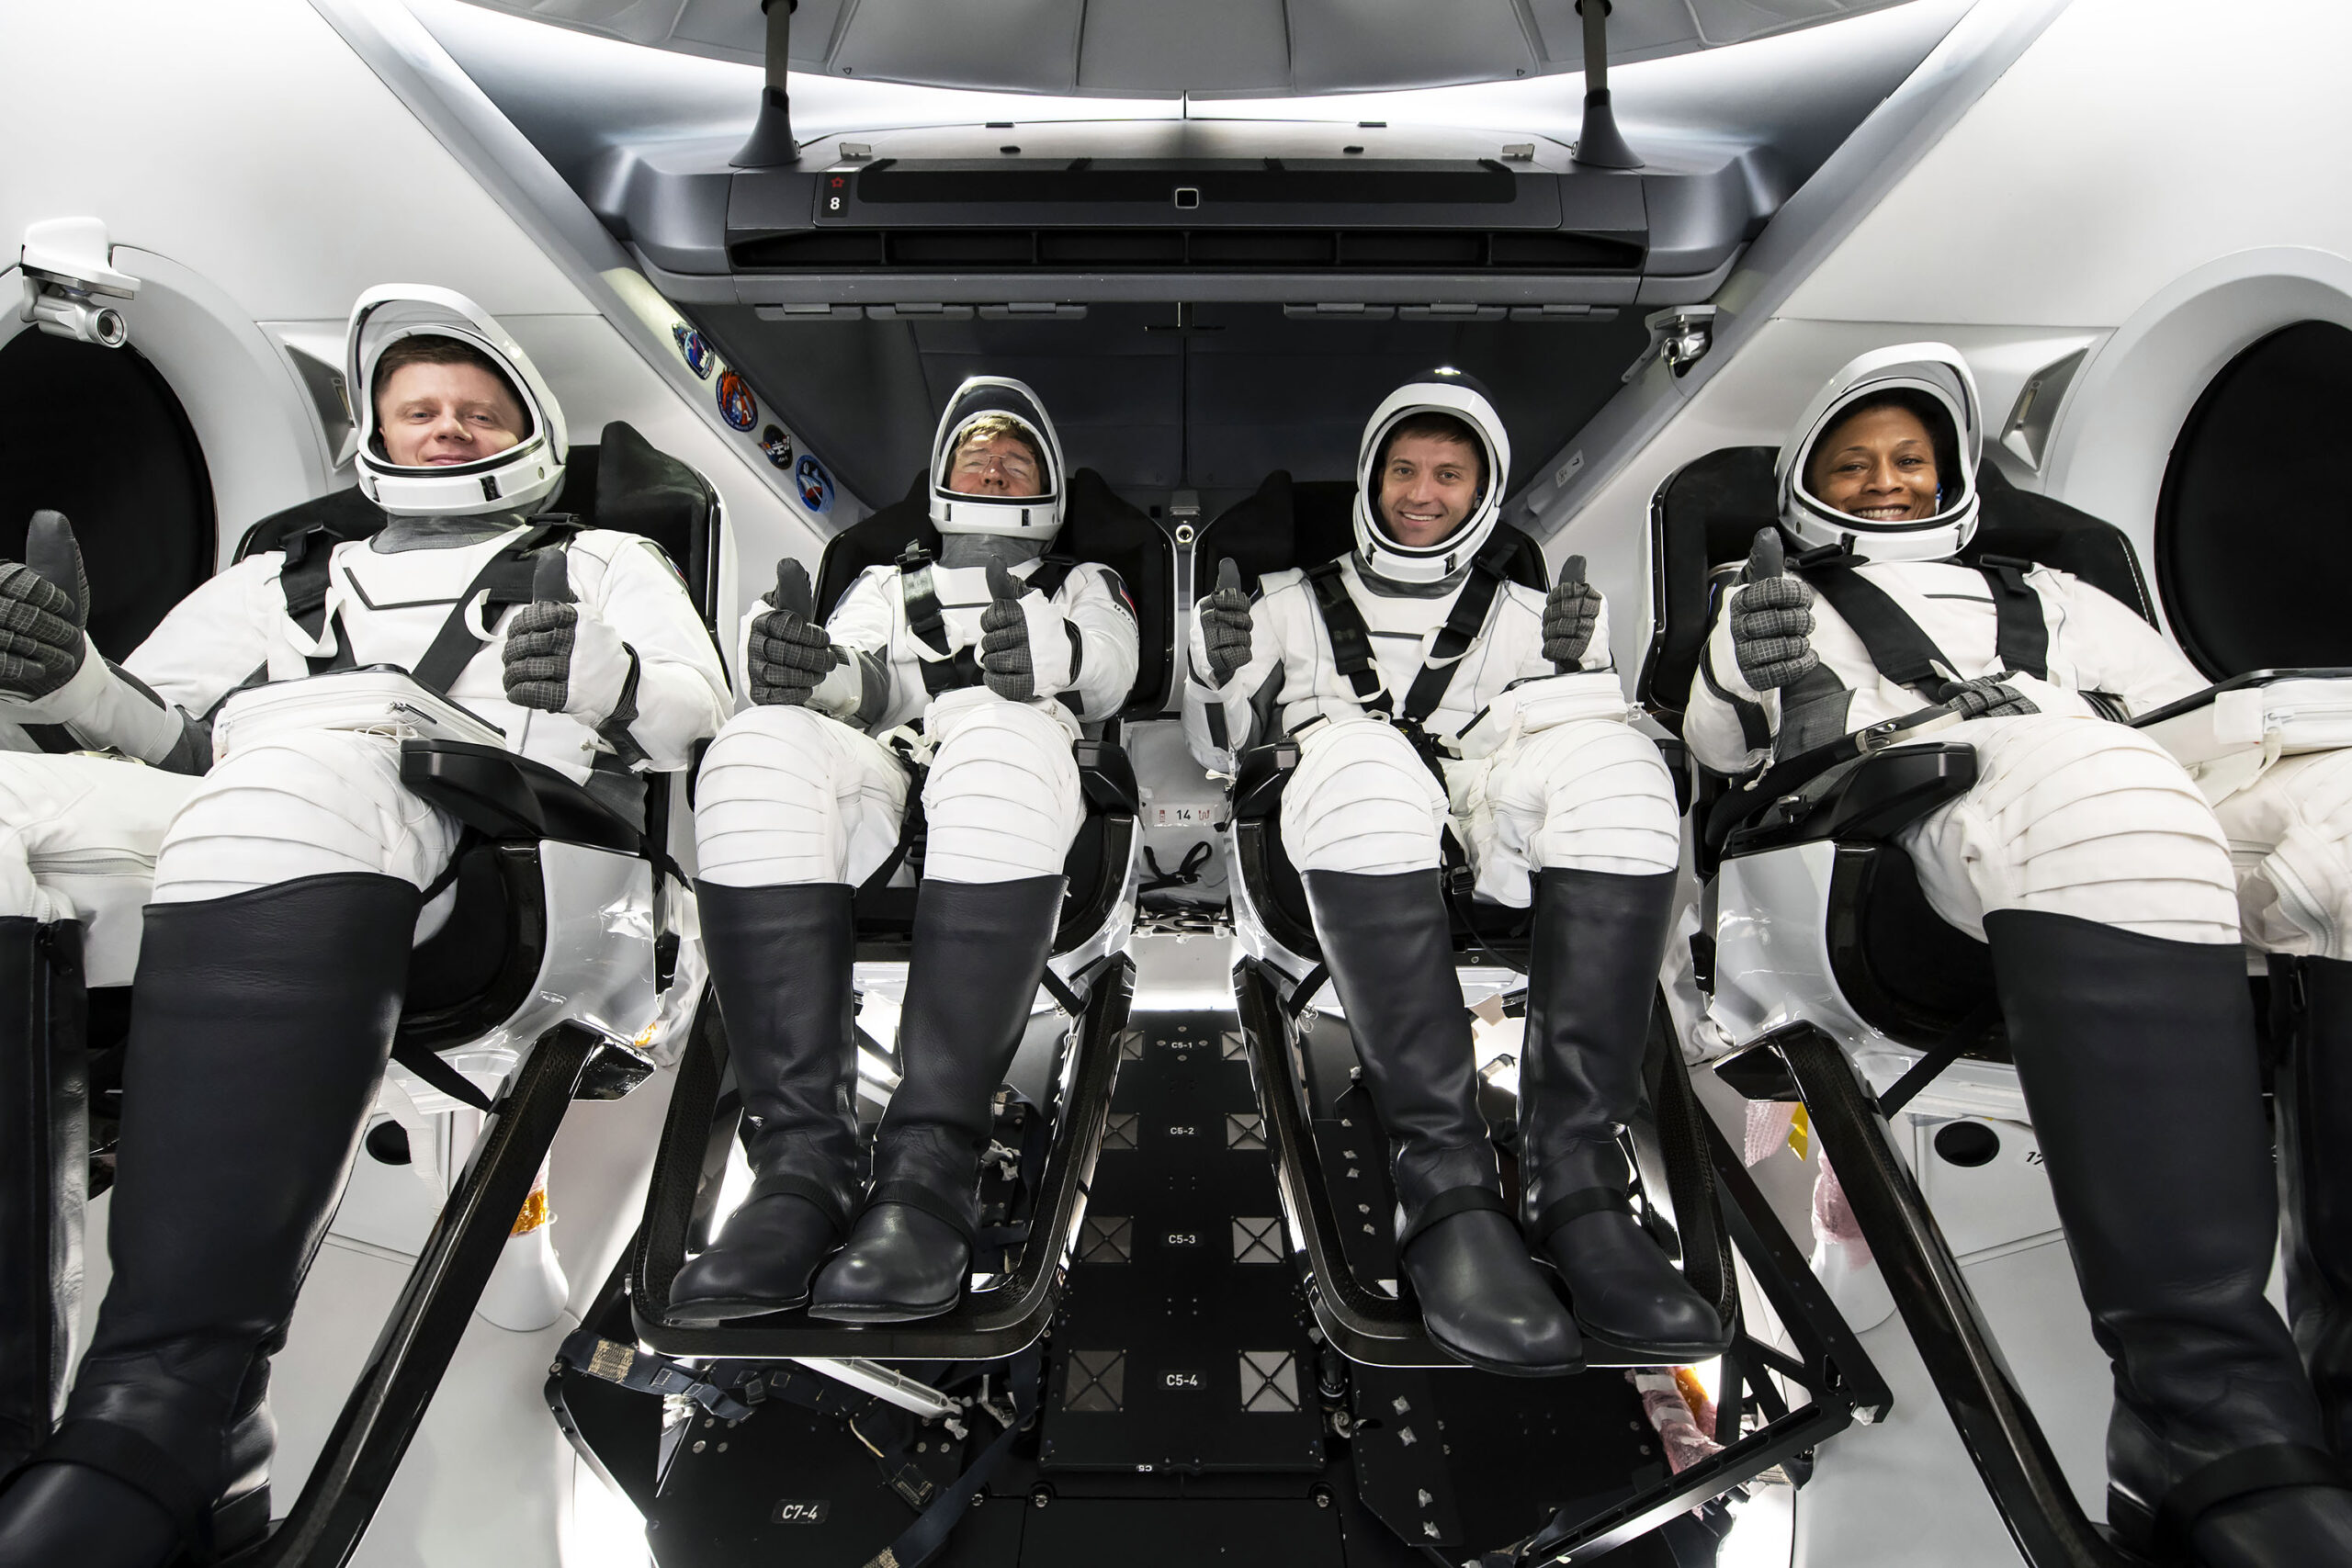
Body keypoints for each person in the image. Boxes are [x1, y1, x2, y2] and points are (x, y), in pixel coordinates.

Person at [0, 285, 729, 1568]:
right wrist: (75, 685)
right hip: (266, 817)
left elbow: (700, 721)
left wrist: (608, 678)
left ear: (529, 427)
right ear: (373, 434)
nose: (446, 427)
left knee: (303, 772)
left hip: (527, 864)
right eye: (418, 407)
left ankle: (176, 1422)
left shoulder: (612, 559)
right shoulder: (272, 580)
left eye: (475, 408)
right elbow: (166, 737)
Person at [1685, 343, 2352, 1567]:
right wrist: (1757, 677)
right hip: (1877, 855)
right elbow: (1721, 730)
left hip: (2102, 799)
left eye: (1910, 458)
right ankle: (2200, 1425)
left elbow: (2192, 720)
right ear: (1806, 479)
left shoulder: (2063, 595)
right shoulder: (1771, 590)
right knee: (2097, 784)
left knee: (2343, 817)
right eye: (1855, 461)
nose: (1886, 480)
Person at [1181, 368, 1721, 1378]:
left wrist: (1581, 681)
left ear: (1484, 494)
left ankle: (1578, 1183)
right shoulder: (1283, 605)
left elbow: (1569, 742)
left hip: (1491, 824)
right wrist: (1223, 674)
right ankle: (1444, 1185)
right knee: (1365, 757)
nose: (1421, 493)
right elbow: (1224, 748)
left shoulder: (1532, 612)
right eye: (1403, 470)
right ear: (1370, 479)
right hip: (1349, 813)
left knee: (1624, 769)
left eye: (1449, 475)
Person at [672, 376, 1138, 1326]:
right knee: (754, 744)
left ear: (1047, 490)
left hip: (1018, 764)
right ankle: (800, 1174)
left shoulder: (1081, 583)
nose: (995, 466)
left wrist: (1045, 656)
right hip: (893, 776)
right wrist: (814, 667)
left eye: (1016, 458)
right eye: (976, 454)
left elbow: (1111, 663)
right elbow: (864, 686)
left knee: (999, 736)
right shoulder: (889, 582)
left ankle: (930, 1178)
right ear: (940, 476)